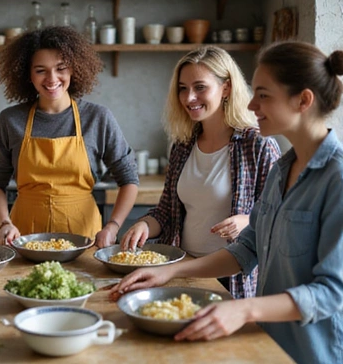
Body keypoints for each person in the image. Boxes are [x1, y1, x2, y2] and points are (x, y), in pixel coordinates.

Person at [111, 41, 343, 363]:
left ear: (303, 100)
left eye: (263, 95)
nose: (250, 106)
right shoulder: (282, 170)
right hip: (266, 340)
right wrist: (168, 272)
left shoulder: (337, 179)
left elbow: (335, 293)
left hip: (313, 352)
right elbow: (246, 250)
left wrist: (243, 307)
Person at [118, 46, 281, 299]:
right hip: (182, 271)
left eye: (200, 87)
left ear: (226, 88)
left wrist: (247, 221)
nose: (189, 97)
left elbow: (279, 217)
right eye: (183, 88)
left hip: (233, 279)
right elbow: (166, 212)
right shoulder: (182, 146)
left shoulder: (258, 145)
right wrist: (144, 225)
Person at [0, 26, 138, 246]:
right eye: (40, 70)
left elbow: (129, 178)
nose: (51, 78)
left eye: (60, 68)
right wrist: (4, 223)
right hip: (25, 235)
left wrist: (113, 227)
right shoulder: (11, 120)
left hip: (83, 233)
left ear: (73, 69)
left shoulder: (97, 117)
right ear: (27, 74)